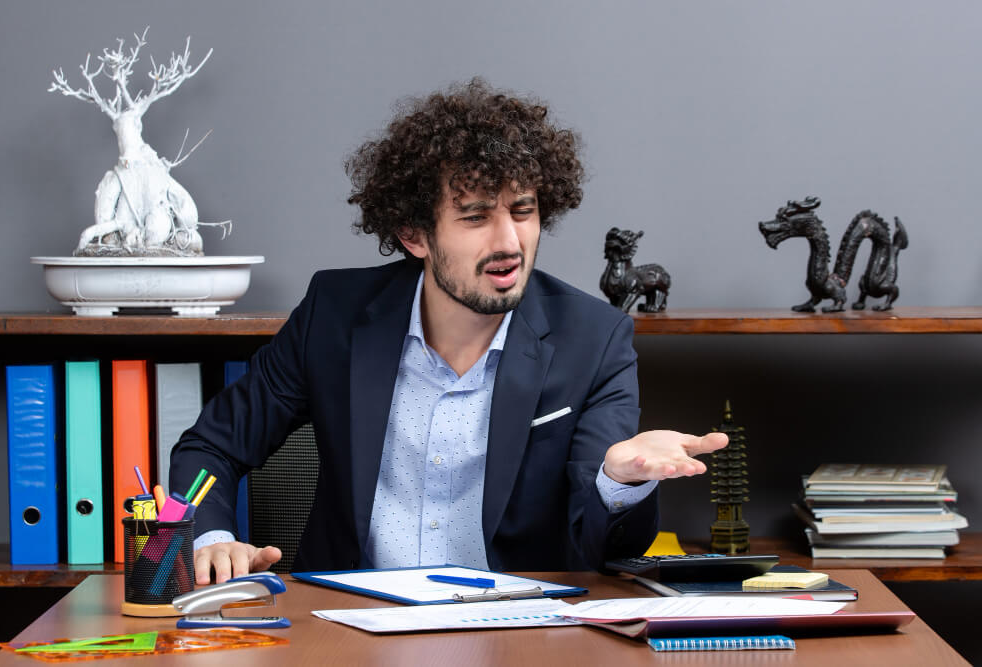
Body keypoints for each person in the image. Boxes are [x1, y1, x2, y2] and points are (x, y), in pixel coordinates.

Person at [170, 78, 727, 585]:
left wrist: (620, 482)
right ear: (415, 234)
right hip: (345, 626)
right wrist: (214, 539)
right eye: (476, 216)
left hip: (516, 633)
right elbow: (209, 447)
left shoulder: (594, 339)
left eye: (523, 211)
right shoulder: (334, 313)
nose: (509, 241)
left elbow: (602, 549)